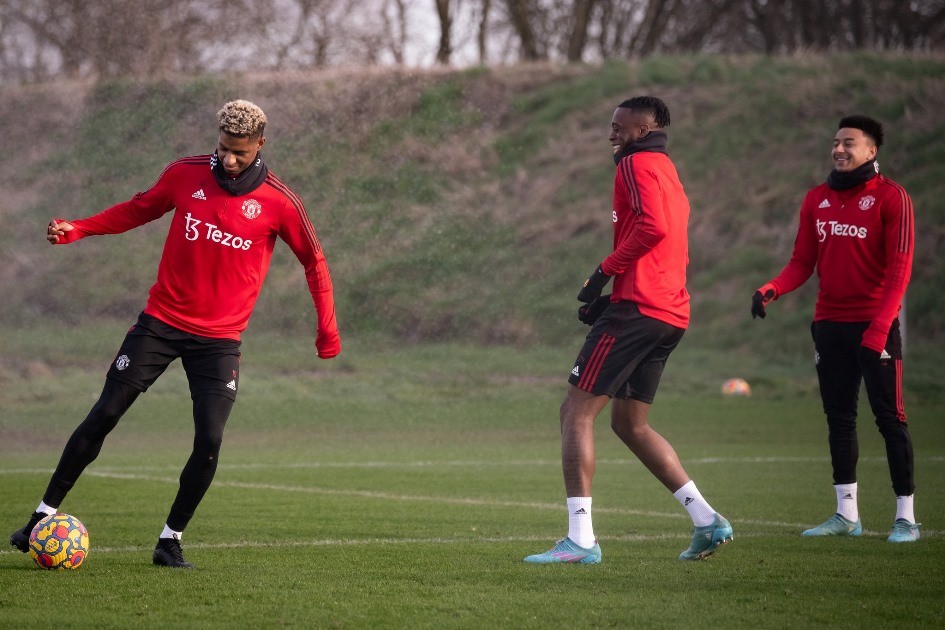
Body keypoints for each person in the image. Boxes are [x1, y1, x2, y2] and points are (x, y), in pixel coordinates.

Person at [9, 100, 341, 567]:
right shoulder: (185, 174)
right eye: (223, 149)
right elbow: (138, 209)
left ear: (260, 146)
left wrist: (327, 330)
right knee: (105, 412)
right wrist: (79, 229)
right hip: (160, 324)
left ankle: (169, 541)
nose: (228, 160)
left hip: (219, 342)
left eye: (239, 153)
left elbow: (315, 260)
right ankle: (40, 519)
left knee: (209, 438)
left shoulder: (279, 202)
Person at [524, 96, 733, 564]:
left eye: (620, 126)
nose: (611, 133)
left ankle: (580, 542)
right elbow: (663, 240)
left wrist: (604, 271)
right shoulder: (666, 169)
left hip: (640, 309)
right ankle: (706, 520)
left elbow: (654, 229)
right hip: (668, 311)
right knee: (629, 423)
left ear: (645, 128)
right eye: (611, 125)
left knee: (575, 412)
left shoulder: (635, 165)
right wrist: (611, 295)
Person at [752, 115, 918, 543]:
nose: (839, 149)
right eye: (835, 142)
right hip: (829, 324)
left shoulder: (892, 198)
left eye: (850, 143)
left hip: (874, 325)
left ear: (871, 151)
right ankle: (846, 515)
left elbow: (900, 271)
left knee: (889, 419)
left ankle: (906, 517)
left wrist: (880, 327)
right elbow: (802, 263)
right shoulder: (817, 200)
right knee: (839, 418)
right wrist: (772, 288)